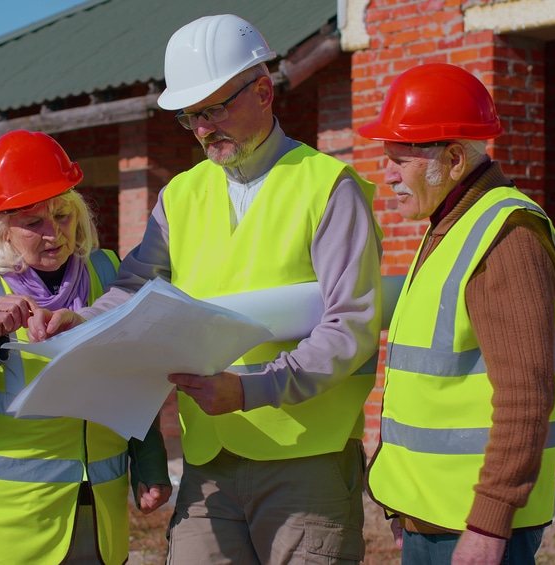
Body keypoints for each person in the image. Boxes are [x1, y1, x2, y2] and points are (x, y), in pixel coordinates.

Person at [38, 13, 384, 564]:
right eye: (191, 116)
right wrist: (83, 321)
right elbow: (134, 285)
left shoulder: (328, 188)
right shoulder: (180, 195)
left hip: (306, 459)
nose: (203, 128)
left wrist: (250, 391)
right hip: (209, 461)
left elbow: (352, 328)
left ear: (265, 92)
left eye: (215, 108)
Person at [0, 129, 172, 564]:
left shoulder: (109, 272)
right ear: (3, 230)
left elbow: (133, 379)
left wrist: (150, 464)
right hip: (2, 535)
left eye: (63, 215)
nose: (55, 234)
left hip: (96, 526)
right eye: (33, 223)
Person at [357, 63, 555, 565]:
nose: (385, 175)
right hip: (431, 522)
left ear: (453, 158)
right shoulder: (449, 229)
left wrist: (488, 526)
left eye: (398, 159)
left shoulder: (506, 237)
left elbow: (525, 395)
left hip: (476, 532)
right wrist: (403, 513)